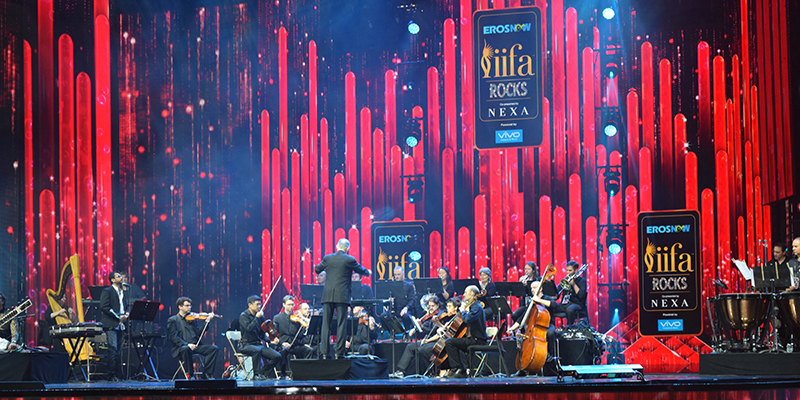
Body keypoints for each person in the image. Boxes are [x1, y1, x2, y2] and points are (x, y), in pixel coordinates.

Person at [314, 238, 371, 359]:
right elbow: (362, 271)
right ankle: (339, 353)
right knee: (341, 324)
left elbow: (317, 269)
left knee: (326, 324)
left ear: (337, 246)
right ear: (347, 248)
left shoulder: (328, 258)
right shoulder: (349, 259)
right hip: (342, 296)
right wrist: (368, 272)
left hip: (328, 296)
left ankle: (324, 353)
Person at [507, 280, 559, 376]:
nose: (533, 290)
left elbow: (555, 305)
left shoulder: (546, 298)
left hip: (547, 324)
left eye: (535, 288)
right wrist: (512, 328)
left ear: (541, 288)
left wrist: (539, 300)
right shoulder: (532, 303)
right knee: (523, 339)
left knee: (550, 333)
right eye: (531, 288)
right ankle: (523, 368)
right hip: (534, 326)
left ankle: (549, 355)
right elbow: (522, 317)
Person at [389, 296, 449, 378]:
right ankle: (401, 371)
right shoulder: (429, 315)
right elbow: (425, 327)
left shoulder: (440, 315)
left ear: (438, 305)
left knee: (418, 348)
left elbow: (434, 330)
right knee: (410, 346)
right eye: (429, 306)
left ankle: (424, 372)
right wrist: (417, 327)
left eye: (433, 306)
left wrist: (422, 327)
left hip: (436, 340)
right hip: (428, 339)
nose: (431, 308)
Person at [167, 297, 219, 379]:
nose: (189, 307)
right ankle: (190, 374)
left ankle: (206, 374)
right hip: (182, 347)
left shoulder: (193, 319)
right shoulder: (173, 320)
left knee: (214, 349)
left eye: (190, 305)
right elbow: (174, 337)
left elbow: (199, 333)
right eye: (187, 306)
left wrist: (207, 322)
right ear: (180, 307)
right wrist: (187, 344)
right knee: (185, 349)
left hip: (195, 346)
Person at [443, 285, 487, 378]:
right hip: (472, 338)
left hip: (477, 340)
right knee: (453, 342)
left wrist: (463, 311)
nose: (464, 294)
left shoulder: (477, 306)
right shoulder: (473, 306)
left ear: (472, 294)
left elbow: (467, 319)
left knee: (449, 342)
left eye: (466, 292)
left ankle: (460, 369)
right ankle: (460, 369)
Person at [238, 295, 281, 379]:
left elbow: (262, 333)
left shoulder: (260, 317)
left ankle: (263, 372)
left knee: (277, 356)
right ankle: (256, 375)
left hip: (258, 344)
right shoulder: (244, 316)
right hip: (246, 345)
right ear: (250, 304)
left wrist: (270, 340)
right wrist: (257, 318)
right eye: (257, 304)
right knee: (256, 350)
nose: (259, 306)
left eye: (260, 304)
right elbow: (249, 329)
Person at [274, 296, 315, 376]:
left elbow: (299, 335)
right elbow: (275, 335)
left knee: (309, 350)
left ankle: (304, 372)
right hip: (283, 345)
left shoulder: (296, 318)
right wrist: (282, 343)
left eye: (292, 305)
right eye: (289, 304)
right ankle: (283, 374)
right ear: (284, 305)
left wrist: (304, 327)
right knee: (283, 351)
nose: (291, 307)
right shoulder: (277, 318)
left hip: (294, 345)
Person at [99, 271, 128, 380]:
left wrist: (127, 314)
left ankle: (119, 374)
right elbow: (104, 307)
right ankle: (111, 375)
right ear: (112, 279)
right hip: (112, 323)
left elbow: (125, 306)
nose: (121, 278)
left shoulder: (123, 292)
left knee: (119, 351)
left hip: (121, 324)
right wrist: (117, 317)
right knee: (113, 349)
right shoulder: (108, 291)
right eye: (118, 276)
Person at [380, 266, 417, 335]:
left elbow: (412, 299)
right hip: (394, 310)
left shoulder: (409, 285)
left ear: (403, 275)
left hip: (405, 309)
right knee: (383, 316)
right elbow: (385, 301)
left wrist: (406, 308)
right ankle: (391, 332)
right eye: (395, 275)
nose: (396, 276)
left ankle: (406, 333)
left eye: (398, 274)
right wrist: (389, 300)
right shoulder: (391, 286)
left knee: (406, 316)